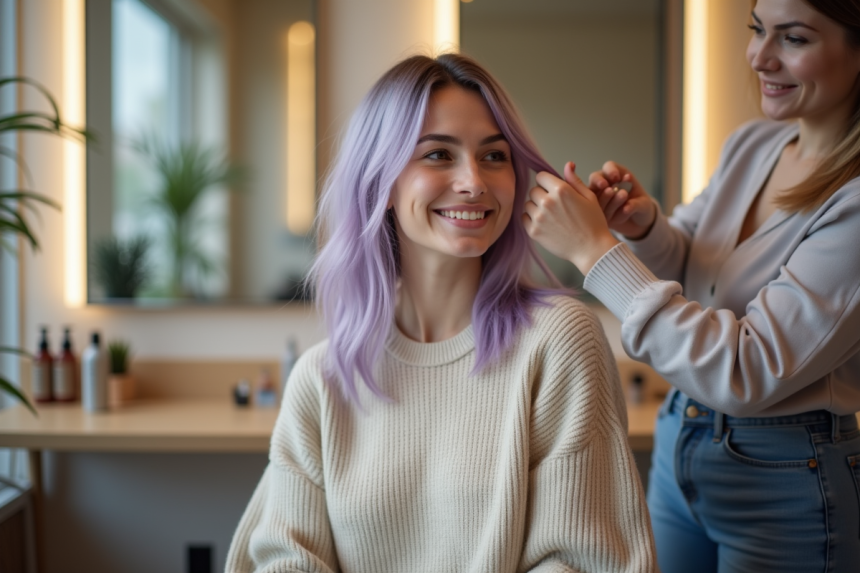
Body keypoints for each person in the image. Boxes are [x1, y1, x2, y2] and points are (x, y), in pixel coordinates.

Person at [225, 54, 657, 572]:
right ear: (381, 182)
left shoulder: (560, 341)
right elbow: (284, 558)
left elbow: (583, 559)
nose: (474, 181)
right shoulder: (322, 379)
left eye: (494, 156)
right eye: (437, 155)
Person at [523, 1, 860, 572]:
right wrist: (644, 226)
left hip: (785, 478)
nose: (759, 56)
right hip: (682, 439)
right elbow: (695, 266)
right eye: (757, 30)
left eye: (793, 38)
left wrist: (592, 251)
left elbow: (745, 370)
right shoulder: (752, 146)